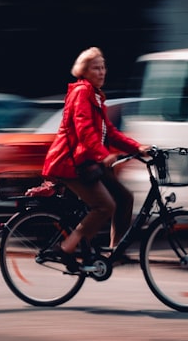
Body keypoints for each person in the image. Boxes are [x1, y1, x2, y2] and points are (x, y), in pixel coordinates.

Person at [35, 47, 150, 272]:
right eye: (96, 68)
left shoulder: (96, 96)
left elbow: (111, 132)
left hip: (88, 161)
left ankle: (116, 251)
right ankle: (67, 247)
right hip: (70, 163)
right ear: (84, 71)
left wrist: (138, 147)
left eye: (103, 67)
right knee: (104, 205)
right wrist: (103, 155)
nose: (102, 72)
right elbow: (84, 129)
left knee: (124, 198)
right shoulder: (81, 92)